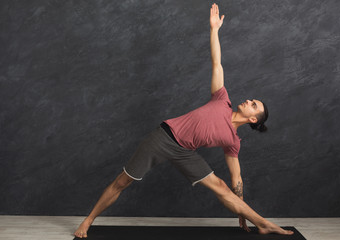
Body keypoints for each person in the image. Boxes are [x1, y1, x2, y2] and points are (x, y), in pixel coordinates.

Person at [74, 3, 294, 238]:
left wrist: (242, 213)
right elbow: (217, 63)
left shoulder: (233, 141)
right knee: (122, 182)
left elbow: (236, 179)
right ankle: (87, 222)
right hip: (162, 137)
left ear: (252, 118)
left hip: (185, 153)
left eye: (254, 105)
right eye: (252, 100)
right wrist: (214, 30)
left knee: (221, 187)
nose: (249, 100)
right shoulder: (222, 99)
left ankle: (263, 223)